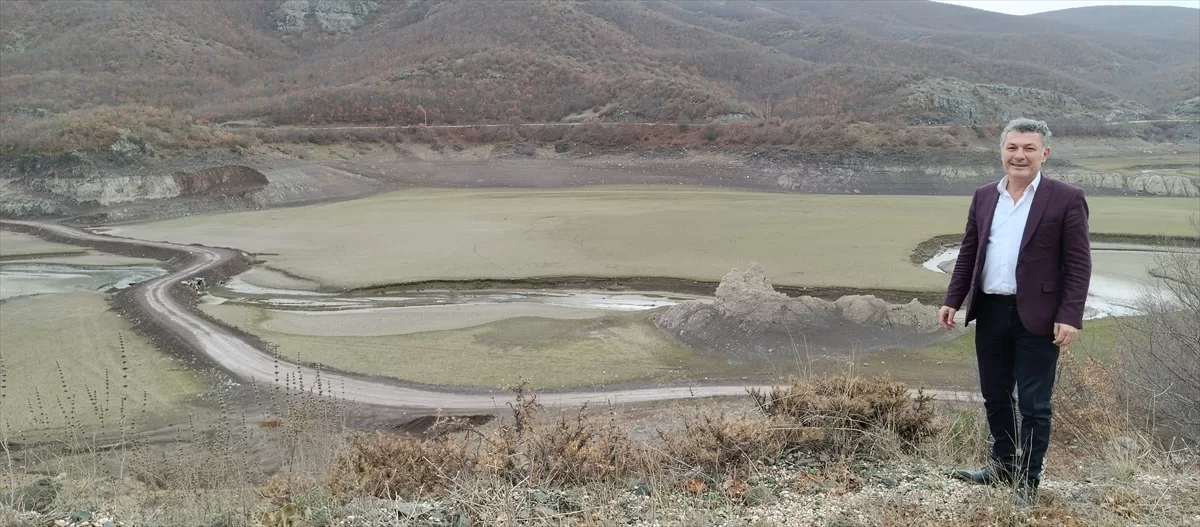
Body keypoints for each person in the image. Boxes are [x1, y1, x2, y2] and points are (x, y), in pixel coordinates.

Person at [938, 118, 1092, 507]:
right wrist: (953, 300)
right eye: (1012, 147)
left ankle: (1028, 479)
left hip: (1039, 317)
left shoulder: (1066, 198)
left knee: (1035, 403)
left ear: (1045, 153)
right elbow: (969, 252)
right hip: (990, 310)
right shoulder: (984, 196)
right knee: (994, 395)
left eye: (1028, 148)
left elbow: (1078, 264)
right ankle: (1004, 465)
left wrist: (1070, 315)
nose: (1019, 155)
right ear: (1002, 151)